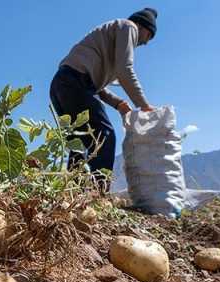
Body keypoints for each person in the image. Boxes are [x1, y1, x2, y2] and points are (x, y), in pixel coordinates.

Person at [50, 7, 158, 192]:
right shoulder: (129, 26)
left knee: (79, 141)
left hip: (61, 84)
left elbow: (96, 86)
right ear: (144, 28)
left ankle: (71, 195)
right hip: (75, 83)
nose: (144, 43)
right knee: (104, 135)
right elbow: (125, 70)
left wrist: (118, 104)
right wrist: (145, 106)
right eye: (148, 37)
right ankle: (99, 194)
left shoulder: (110, 37)